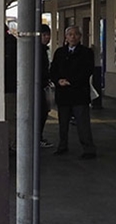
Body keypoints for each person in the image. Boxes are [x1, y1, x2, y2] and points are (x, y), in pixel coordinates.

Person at [49, 25, 97, 158]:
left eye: (76, 34)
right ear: (66, 37)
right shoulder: (60, 52)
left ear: (80, 37)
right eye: (70, 34)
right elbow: (53, 70)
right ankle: (62, 146)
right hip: (63, 94)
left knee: (82, 122)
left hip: (79, 92)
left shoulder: (86, 52)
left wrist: (71, 81)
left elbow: (88, 70)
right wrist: (58, 80)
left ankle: (88, 149)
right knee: (62, 123)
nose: (73, 37)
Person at [38, 24, 54, 148]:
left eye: (48, 35)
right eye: (44, 35)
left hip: (42, 85)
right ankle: (38, 137)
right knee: (40, 113)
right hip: (38, 87)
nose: (47, 37)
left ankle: (38, 136)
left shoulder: (43, 50)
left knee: (42, 112)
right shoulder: (38, 51)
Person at [4, 24, 17, 150]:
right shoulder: (12, 43)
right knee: (9, 117)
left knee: (9, 117)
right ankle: (11, 143)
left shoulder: (9, 46)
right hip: (9, 86)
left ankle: (12, 144)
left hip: (8, 87)